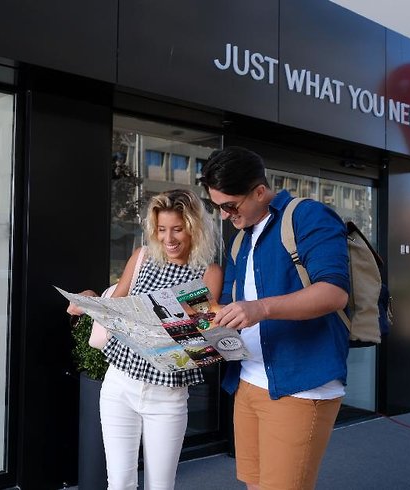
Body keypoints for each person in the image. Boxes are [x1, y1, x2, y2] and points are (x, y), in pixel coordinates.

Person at [200, 147, 350, 490]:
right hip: (248, 380)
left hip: (300, 384)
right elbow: (228, 309)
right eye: (217, 206)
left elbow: (333, 292)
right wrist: (193, 330)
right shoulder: (241, 240)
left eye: (230, 206)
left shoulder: (307, 216)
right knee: (254, 484)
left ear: (259, 192)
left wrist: (260, 308)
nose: (224, 215)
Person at [67, 189, 223, 490]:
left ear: (194, 228)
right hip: (120, 383)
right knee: (119, 483)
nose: (168, 239)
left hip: (167, 394)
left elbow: (199, 336)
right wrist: (89, 300)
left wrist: (175, 321)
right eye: (162, 229)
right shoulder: (142, 258)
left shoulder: (207, 273)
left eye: (177, 229)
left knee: (160, 486)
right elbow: (115, 304)